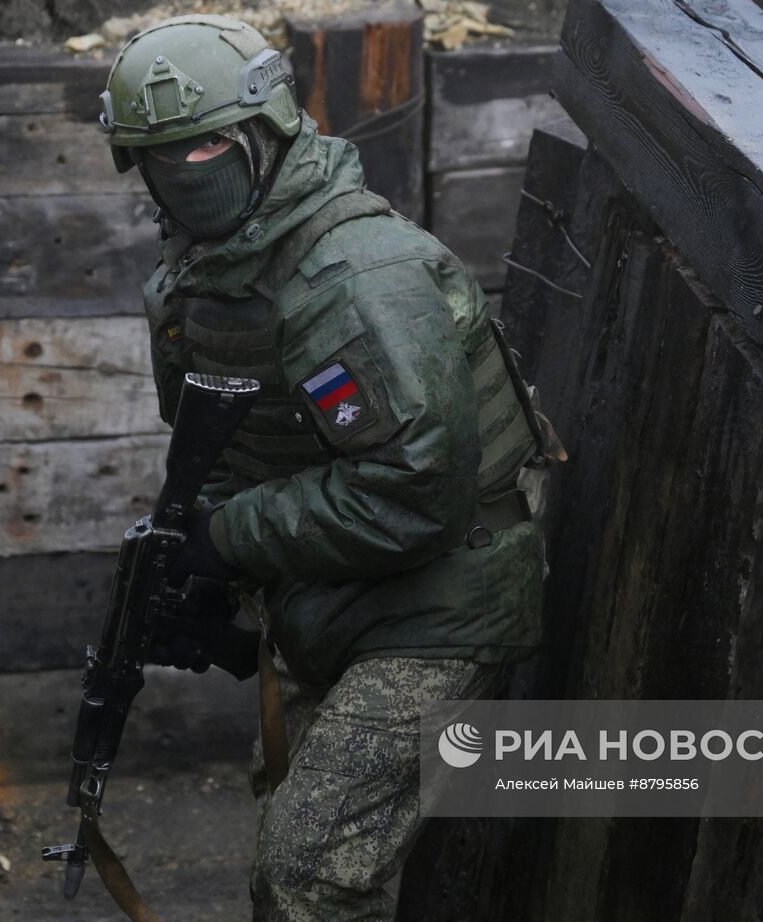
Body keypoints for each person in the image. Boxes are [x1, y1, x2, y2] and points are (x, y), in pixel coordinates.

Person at [98, 15, 553, 921]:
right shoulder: (206, 274)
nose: (193, 176)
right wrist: (192, 562)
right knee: (289, 856)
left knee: (307, 872)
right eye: (165, 159)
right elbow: (223, 444)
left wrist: (230, 537)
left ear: (268, 130)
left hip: (444, 594)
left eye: (212, 149)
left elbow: (418, 490)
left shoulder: (357, 278)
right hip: (334, 591)